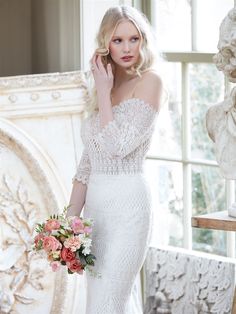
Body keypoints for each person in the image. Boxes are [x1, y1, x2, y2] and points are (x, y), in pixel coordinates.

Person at [67, 4, 163, 314]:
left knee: (108, 304)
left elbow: (117, 146)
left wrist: (105, 93)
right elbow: (87, 165)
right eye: (117, 40)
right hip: (96, 211)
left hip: (128, 208)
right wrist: (70, 221)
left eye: (133, 39)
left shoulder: (150, 82)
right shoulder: (103, 86)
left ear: (143, 41)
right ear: (105, 43)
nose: (126, 48)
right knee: (97, 301)